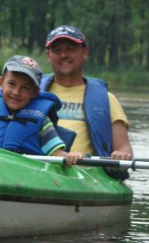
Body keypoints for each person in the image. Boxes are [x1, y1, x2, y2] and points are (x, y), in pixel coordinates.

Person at [40, 25, 133, 179]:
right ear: (48, 55)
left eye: (71, 49)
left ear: (85, 53)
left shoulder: (107, 99)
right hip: (41, 173)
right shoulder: (30, 95)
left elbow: (124, 148)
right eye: (57, 50)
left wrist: (121, 155)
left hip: (87, 178)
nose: (63, 54)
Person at [0, 55, 84, 165]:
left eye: (25, 88)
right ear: (1, 83)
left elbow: (57, 154)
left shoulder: (43, 122)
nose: (16, 92)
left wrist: (72, 156)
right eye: (12, 84)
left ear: (34, 92)